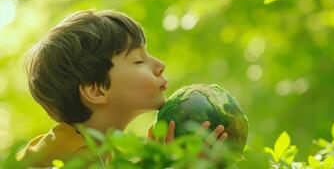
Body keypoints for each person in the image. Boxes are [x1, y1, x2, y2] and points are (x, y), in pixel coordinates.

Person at [15, 10, 228, 167]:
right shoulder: (78, 157)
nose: (159, 64)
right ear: (97, 90)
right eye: (138, 61)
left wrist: (160, 162)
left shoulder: (92, 147)